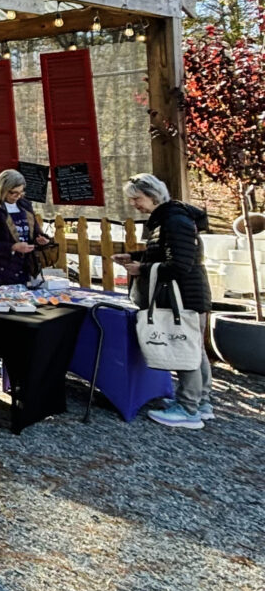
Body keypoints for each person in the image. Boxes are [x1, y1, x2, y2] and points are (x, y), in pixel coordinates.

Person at [122, 173, 213, 428]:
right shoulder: (169, 219)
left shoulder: (174, 221)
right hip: (187, 295)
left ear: (152, 195)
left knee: (185, 349)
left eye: (137, 198)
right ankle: (201, 401)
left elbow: (179, 264)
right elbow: (168, 252)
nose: (135, 204)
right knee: (194, 348)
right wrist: (134, 256)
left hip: (183, 296)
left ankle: (188, 408)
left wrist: (143, 269)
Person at [0, 169, 50, 286]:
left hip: (24, 268)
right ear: (2, 189)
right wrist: (12, 247)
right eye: (13, 192)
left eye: (21, 192)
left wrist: (41, 239)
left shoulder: (25, 205)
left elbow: (35, 231)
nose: (17, 196)